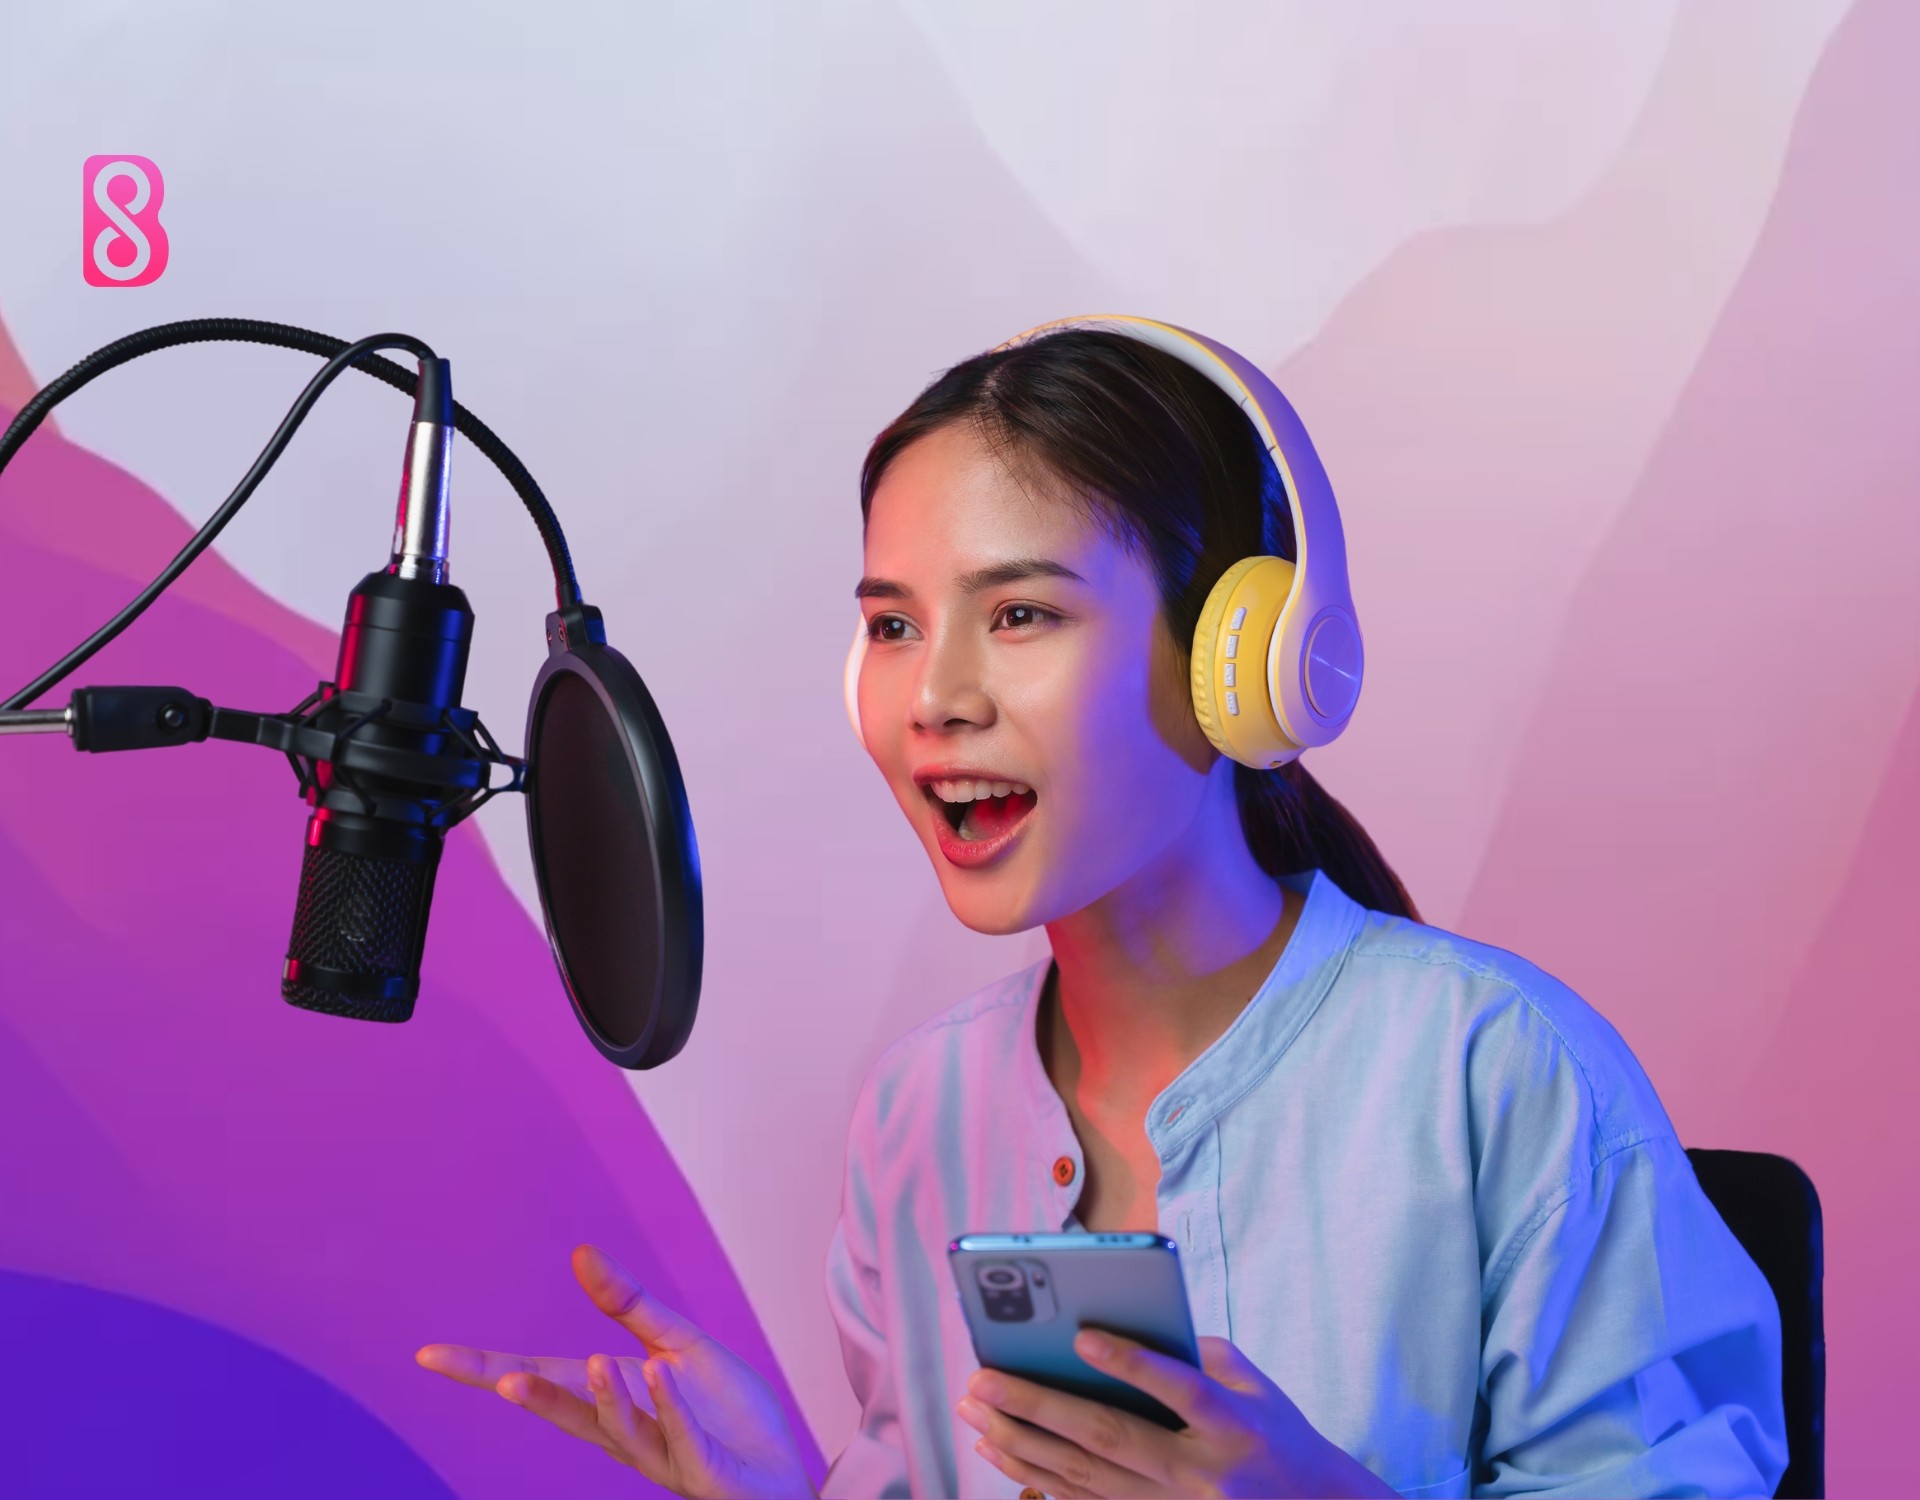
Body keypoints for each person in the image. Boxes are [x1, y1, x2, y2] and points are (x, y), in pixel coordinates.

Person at [417, 323, 1789, 1498]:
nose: (935, 695)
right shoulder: (920, 1111)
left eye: (1019, 615)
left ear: (1232, 660)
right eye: (894, 625)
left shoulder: (1497, 1070)